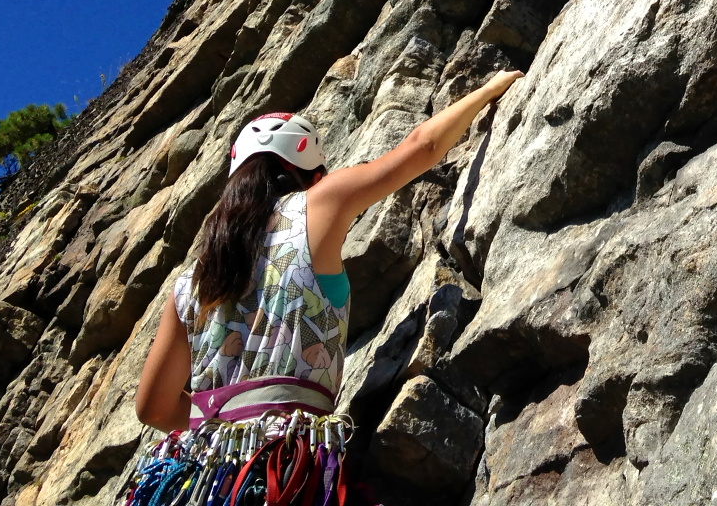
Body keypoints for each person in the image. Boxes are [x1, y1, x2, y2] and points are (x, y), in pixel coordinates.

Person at [135, 69, 523, 431]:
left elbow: (151, 406)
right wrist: (489, 90)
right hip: (284, 460)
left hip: (203, 476)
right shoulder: (318, 202)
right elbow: (423, 145)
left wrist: (227, 425)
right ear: (311, 171)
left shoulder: (192, 282)